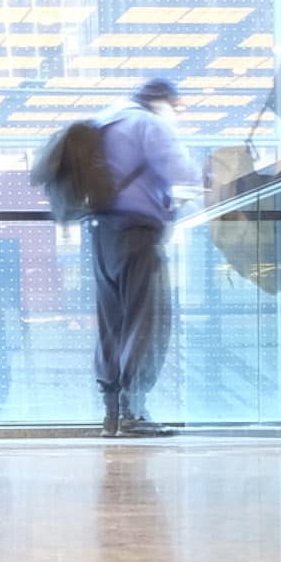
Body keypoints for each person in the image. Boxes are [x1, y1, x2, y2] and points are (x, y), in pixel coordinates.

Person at [92, 78, 200, 438]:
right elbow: (184, 172)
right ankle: (133, 413)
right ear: (161, 101)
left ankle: (111, 414)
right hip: (138, 232)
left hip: (100, 231)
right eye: (175, 105)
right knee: (145, 320)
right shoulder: (147, 124)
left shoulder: (102, 123)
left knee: (112, 323)